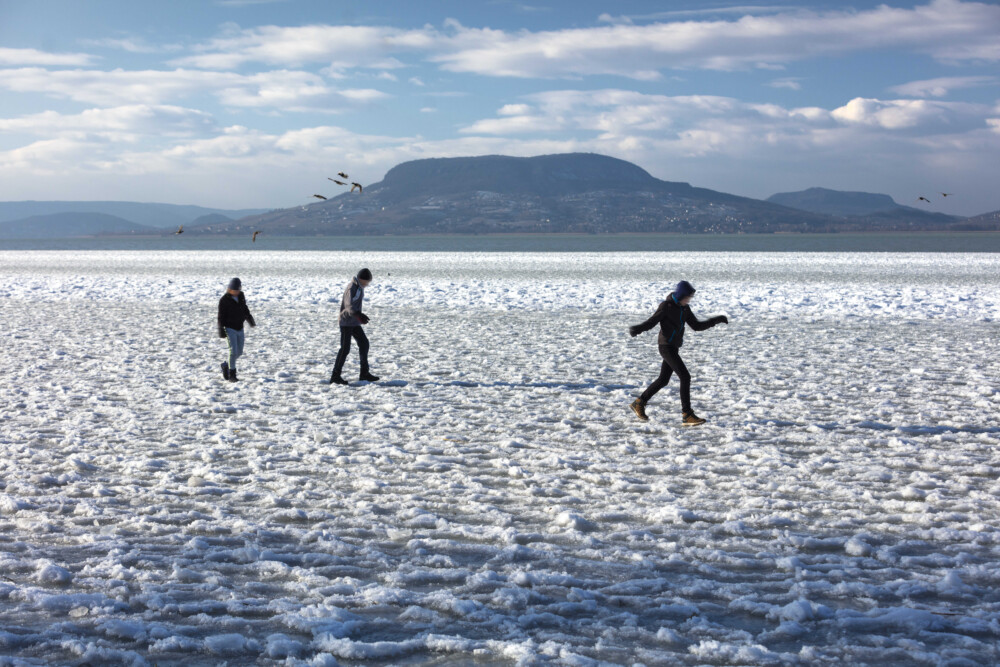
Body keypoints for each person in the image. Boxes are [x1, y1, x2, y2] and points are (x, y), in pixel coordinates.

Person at [628, 280, 727, 425]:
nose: (689, 300)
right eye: (688, 297)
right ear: (681, 295)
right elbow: (652, 321)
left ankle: (639, 403)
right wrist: (638, 329)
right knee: (685, 376)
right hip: (665, 346)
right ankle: (687, 414)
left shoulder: (685, 309)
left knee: (663, 380)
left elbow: (697, 326)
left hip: (674, 347)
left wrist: (715, 320)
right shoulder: (666, 306)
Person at [330, 268, 379, 385]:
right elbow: (349, 306)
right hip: (346, 322)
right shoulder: (352, 288)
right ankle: (335, 376)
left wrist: (360, 316)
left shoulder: (359, 287)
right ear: (362, 279)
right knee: (345, 349)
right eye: (367, 282)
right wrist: (358, 315)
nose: (367, 284)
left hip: (354, 322)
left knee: (364, 343)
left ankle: (364, 374)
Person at [217, 277, 256, 382]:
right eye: (234, 290)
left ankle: (226, 366)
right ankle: (232, 375)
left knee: (239, 352)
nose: (236, 292)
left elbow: (244, 308)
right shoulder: (224, 300)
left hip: (240, 328)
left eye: (238, 290)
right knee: (233, 351)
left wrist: (250, 319)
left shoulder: (241, 296)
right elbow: (220, 316)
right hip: (229, 329)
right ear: (230, 289)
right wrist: (221, 329)